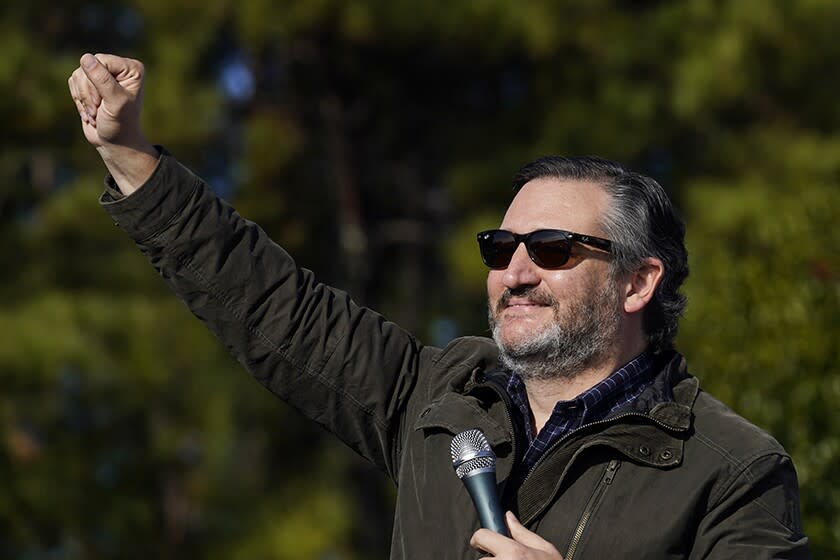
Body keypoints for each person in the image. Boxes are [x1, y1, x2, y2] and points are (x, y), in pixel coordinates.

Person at [68, 53, 810, 559]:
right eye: (499, 247)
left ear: (637, 282)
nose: (514, 271)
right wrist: (131, 156)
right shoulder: (440, 400)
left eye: (552, 247)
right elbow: (270, 304)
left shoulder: (733, 470)